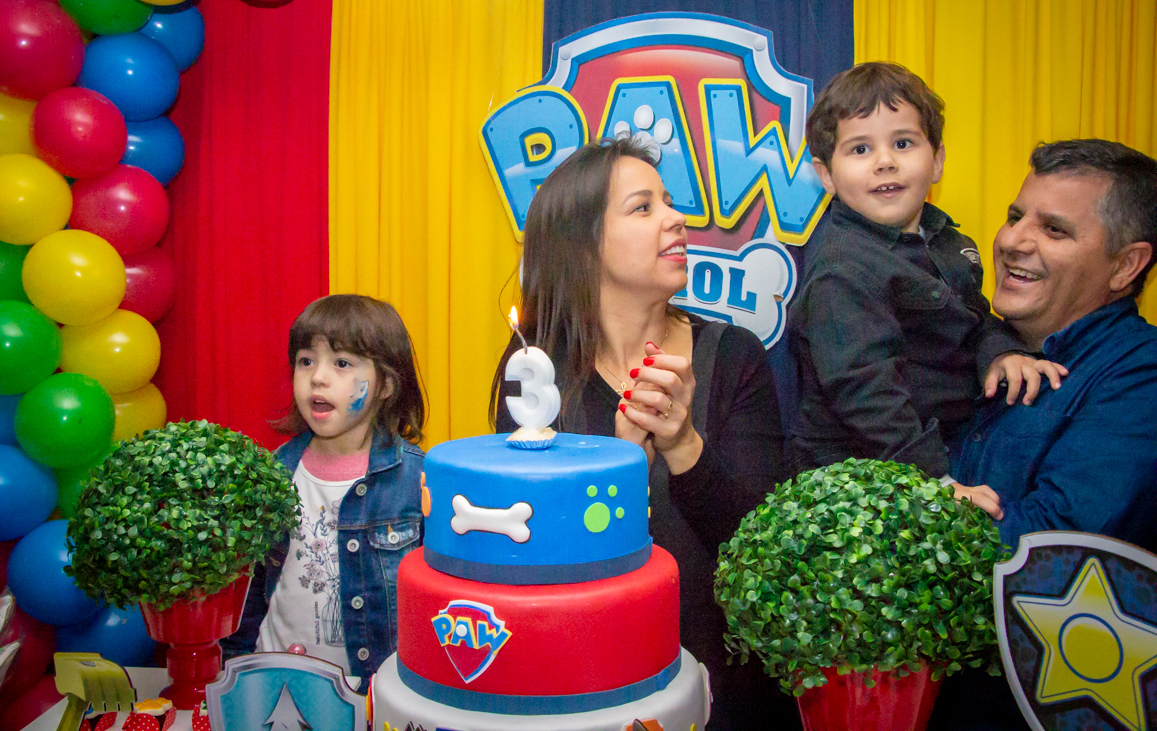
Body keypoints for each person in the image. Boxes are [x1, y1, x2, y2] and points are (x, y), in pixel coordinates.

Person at [490, 137, 799, 730]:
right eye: (643, 207)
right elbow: (524, 551)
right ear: (583, 248)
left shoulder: (733, 357)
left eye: (669, 202)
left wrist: (684, 447)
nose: (676, 218)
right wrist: (618, 467)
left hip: (727, 694)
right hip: (584, 683)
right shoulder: (536, 373)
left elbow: (766, 549)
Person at [931, 141, 1157, 731]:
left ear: (1125, 266)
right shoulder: (972, 342)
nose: (1012, 241)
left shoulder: (1141, 377)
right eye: (1014, 216)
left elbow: (1047, 553)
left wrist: (907, 517)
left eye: (1053, 229)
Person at [787, 62, 1063, 497]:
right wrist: (937, 483)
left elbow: (975, 319)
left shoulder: (950, 242)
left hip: (949, 444)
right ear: (826, 176)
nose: (884, 162)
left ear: (936, 161)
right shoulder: (841, 269)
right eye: (860, 150)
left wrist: (1001, 353)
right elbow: (866, 392)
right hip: (857, 481)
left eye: (902, 143)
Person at [223, 294, 427, 690]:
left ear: (385, 384)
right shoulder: (272, 473)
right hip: (273, 682)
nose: (318, 377)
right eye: (306, 361)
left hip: (369, 692)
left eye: (342, 363)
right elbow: (247, 594)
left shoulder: (415, 479)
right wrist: (232, 671)